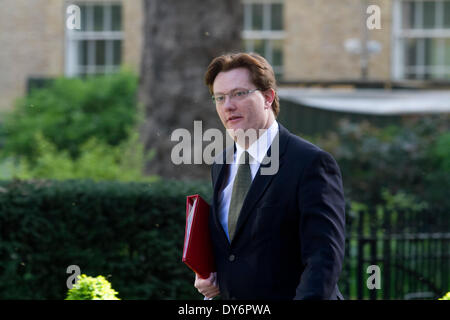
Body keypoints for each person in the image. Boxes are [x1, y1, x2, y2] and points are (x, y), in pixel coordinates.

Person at [194, 52, 346, 300]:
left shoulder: (311, 163)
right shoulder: (221, 163)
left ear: (268, 97)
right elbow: (238, 249)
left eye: (239, 93)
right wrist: (210, 273)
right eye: (219, 97)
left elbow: (323, 259)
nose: (227, 105)